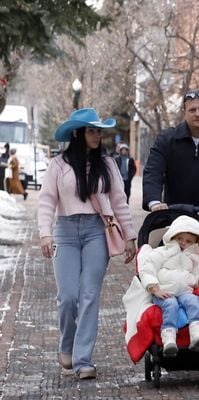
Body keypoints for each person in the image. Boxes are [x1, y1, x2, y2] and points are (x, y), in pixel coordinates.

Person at [37, 108, 137, 380]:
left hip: (96, 232)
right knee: (68, 296)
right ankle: (66, 345)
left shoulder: (108, 164)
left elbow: (119, 202)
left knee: (89, 295)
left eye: (99, 131)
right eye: (92, 130)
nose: (97, 135)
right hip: (65, 232)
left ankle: (83, 359)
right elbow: (46, 200)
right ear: (78, 133)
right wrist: (45, 233)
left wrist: (130, 236)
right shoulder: (59, 165)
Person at [136, 215, 199, 357]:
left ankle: (196, 332)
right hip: (164, 291)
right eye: (179, 239)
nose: (183, 243)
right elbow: (148, 268)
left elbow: (194, 275)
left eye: (188, 241)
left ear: (195, 244)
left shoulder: (194, 259)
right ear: (172, 237)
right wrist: (154, 288)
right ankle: (169, 337)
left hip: (184, 291)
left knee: (194, 301)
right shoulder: (162, 252)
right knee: (171, 305)